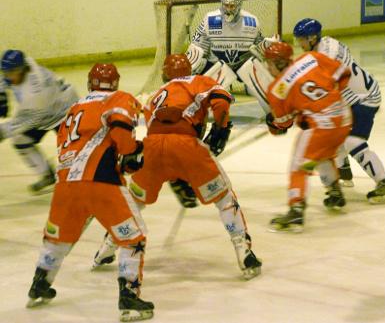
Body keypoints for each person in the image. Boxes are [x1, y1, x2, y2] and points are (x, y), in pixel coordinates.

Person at [93, 54, 262, 280]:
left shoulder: (154, 97)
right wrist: (220, 128)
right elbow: (221, 102)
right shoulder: (197, 81)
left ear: (164, 74)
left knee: (134, 203)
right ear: (189, 70)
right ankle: (244, 251)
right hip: (186, 146)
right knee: (224, 199)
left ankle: (105, 249)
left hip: (152, 150)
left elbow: (152, 129)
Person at [26, 63, 154, 322]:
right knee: (134, 238)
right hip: (100, 181)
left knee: (58, 239)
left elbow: (69, 143)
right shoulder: (118, 98)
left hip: (65, 184)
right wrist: (132, 151)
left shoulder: (73, 109)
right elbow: (121, 130)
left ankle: (40, 283)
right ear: (115, 82)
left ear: (89, 83)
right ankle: (129, 296)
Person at [292, 18, 385, 204]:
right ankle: (344, 171)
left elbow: (324, 87)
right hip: (351, 99)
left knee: (352, 141)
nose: (299, 44)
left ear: (313, 38)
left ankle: (384, 183)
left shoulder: (326, 56)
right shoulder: (326, 45)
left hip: (365, 98)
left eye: (302, 39)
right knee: (333, 132)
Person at [264, 42, 352, 232]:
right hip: (344, 118)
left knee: (299, 166)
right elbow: (344, 74)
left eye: (268, 63)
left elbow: (282, 124)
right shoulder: (311, 57)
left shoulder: (277, 89)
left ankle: (296, 209)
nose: (267, 67)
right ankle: (334, 192)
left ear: (276, 64)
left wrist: (273, 123)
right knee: (322, 153)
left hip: (322, 126)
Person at [185, 0, 277, 114]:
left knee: (259, 69)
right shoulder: (210, 19)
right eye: (226, 5)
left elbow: (259, 46)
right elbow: (197, 47)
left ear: (239, 6)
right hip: (217, 66)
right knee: (195, 59)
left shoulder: (251, 21)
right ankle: (192, 109)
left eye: (232, 6)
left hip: (242, 66)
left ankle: (276, 111)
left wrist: (266, 46)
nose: (228, 9)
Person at [0, 50, 79, 193]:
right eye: (7, 72)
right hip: (46, 109)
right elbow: (4, 77)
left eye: (12, 73)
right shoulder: (25, 63)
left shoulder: (35, 92)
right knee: (20, 140)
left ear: (21, 69)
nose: (8, 77)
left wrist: (3, 131)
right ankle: (47, 175)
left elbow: (28, 120)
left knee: (76, 155)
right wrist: (1, 95)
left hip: (66, 112)